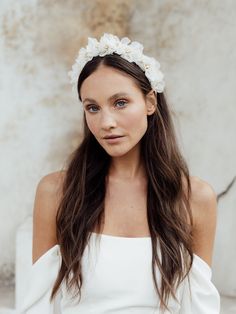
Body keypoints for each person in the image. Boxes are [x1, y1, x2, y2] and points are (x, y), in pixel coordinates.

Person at [19, 33, 220, 313]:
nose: (106, 122)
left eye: (120, 102)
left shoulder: (194, 197)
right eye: (93, 108)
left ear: (150, 102)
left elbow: (199, 307)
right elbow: (38, 304)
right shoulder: (57, 192)